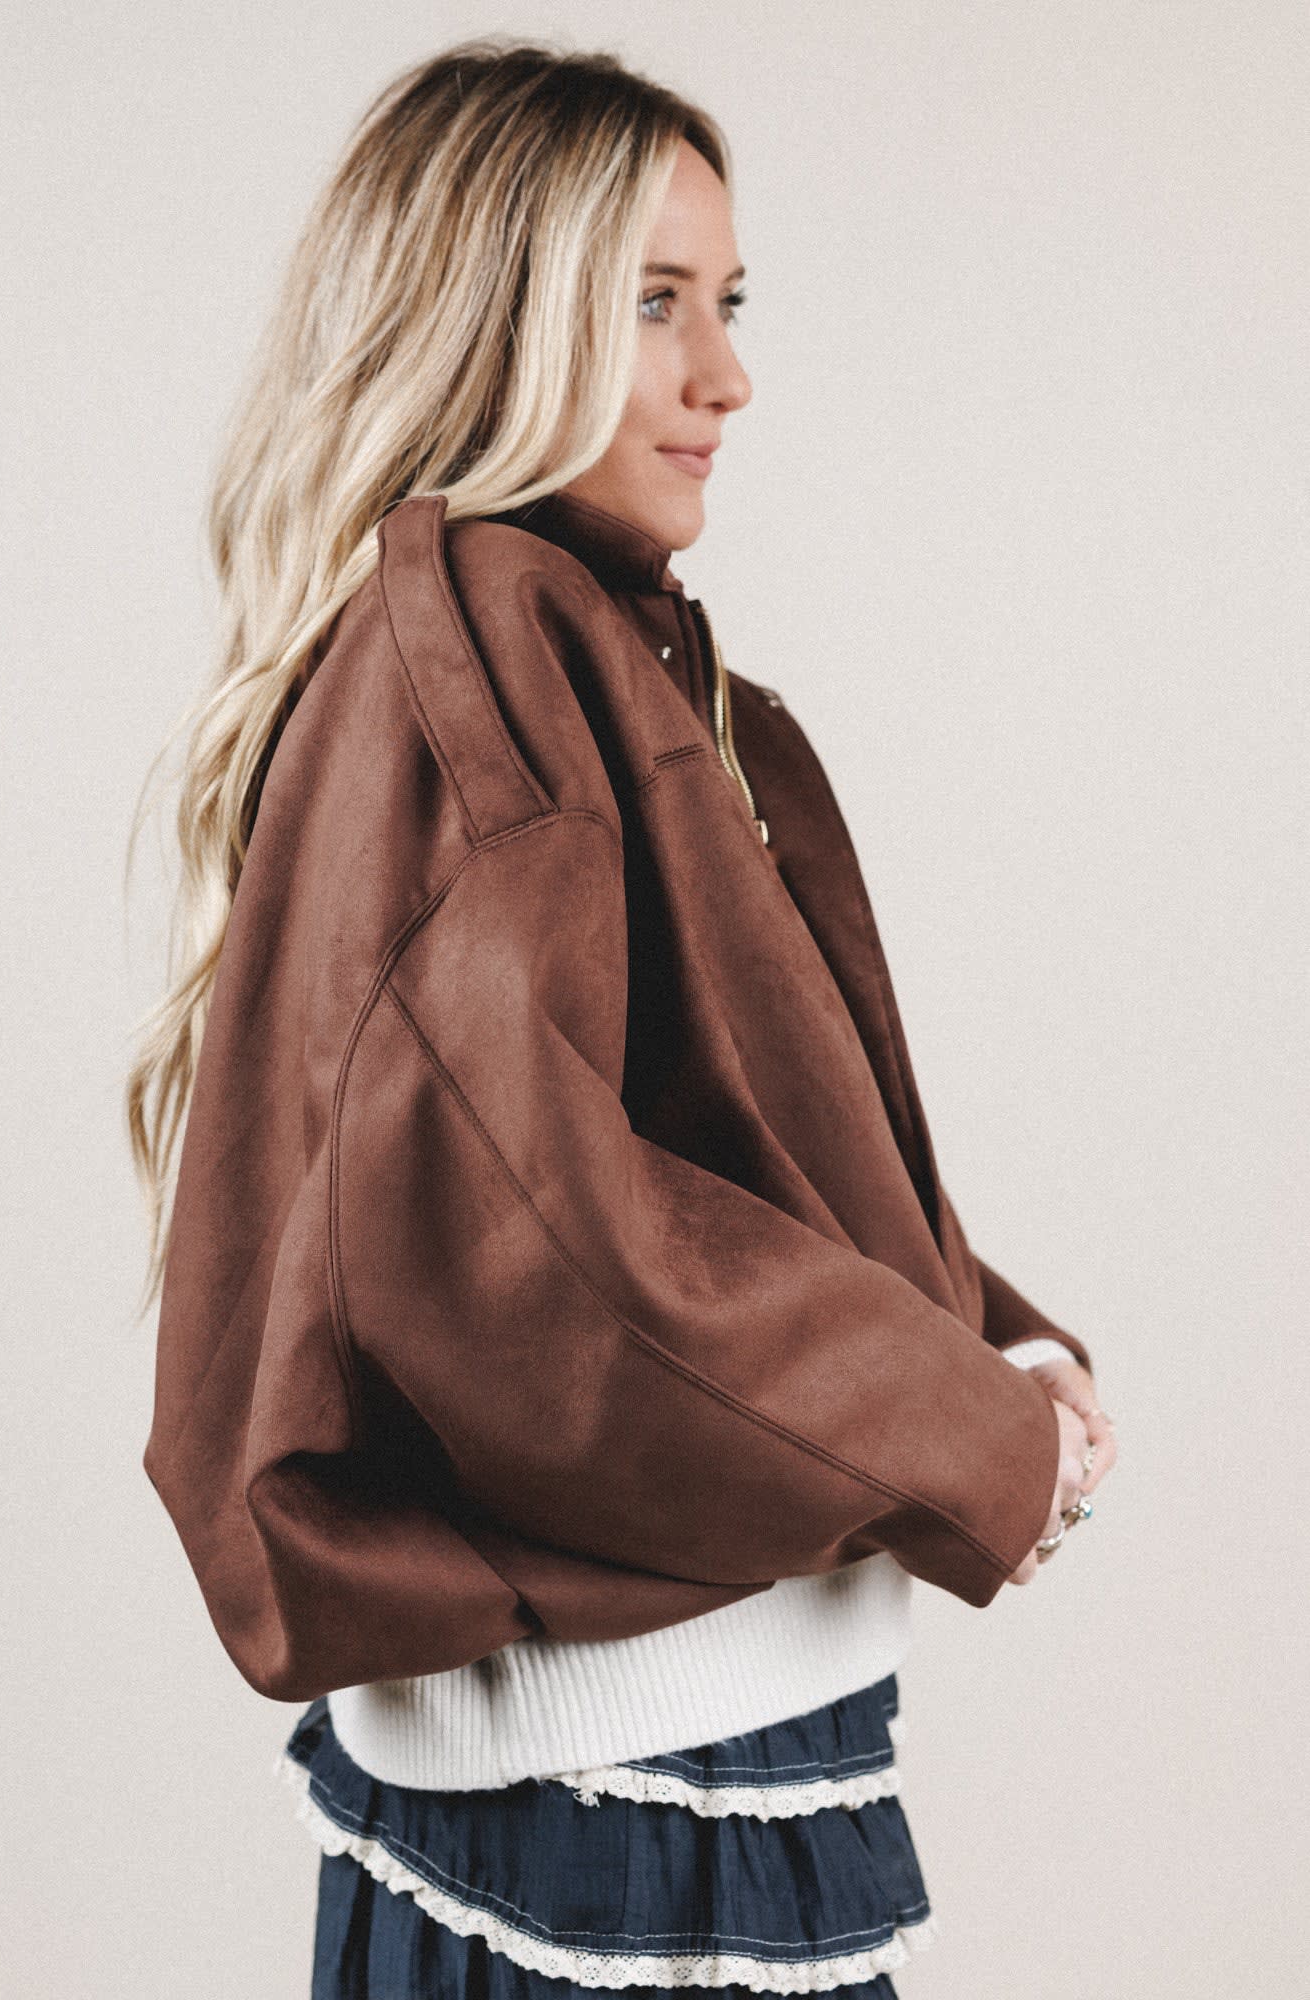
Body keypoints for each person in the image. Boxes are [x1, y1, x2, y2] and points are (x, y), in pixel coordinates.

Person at [126, 36, 1119, 1998]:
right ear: (489, 317)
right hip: (626, 1796)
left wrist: (985, 1339)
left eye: (728, 301)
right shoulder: (490, 648)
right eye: (651, 303)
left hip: (642, 1771)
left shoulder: (599, 655)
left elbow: (710, 1147)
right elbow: (526, 1249)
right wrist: (956, 1428)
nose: (723, 377)